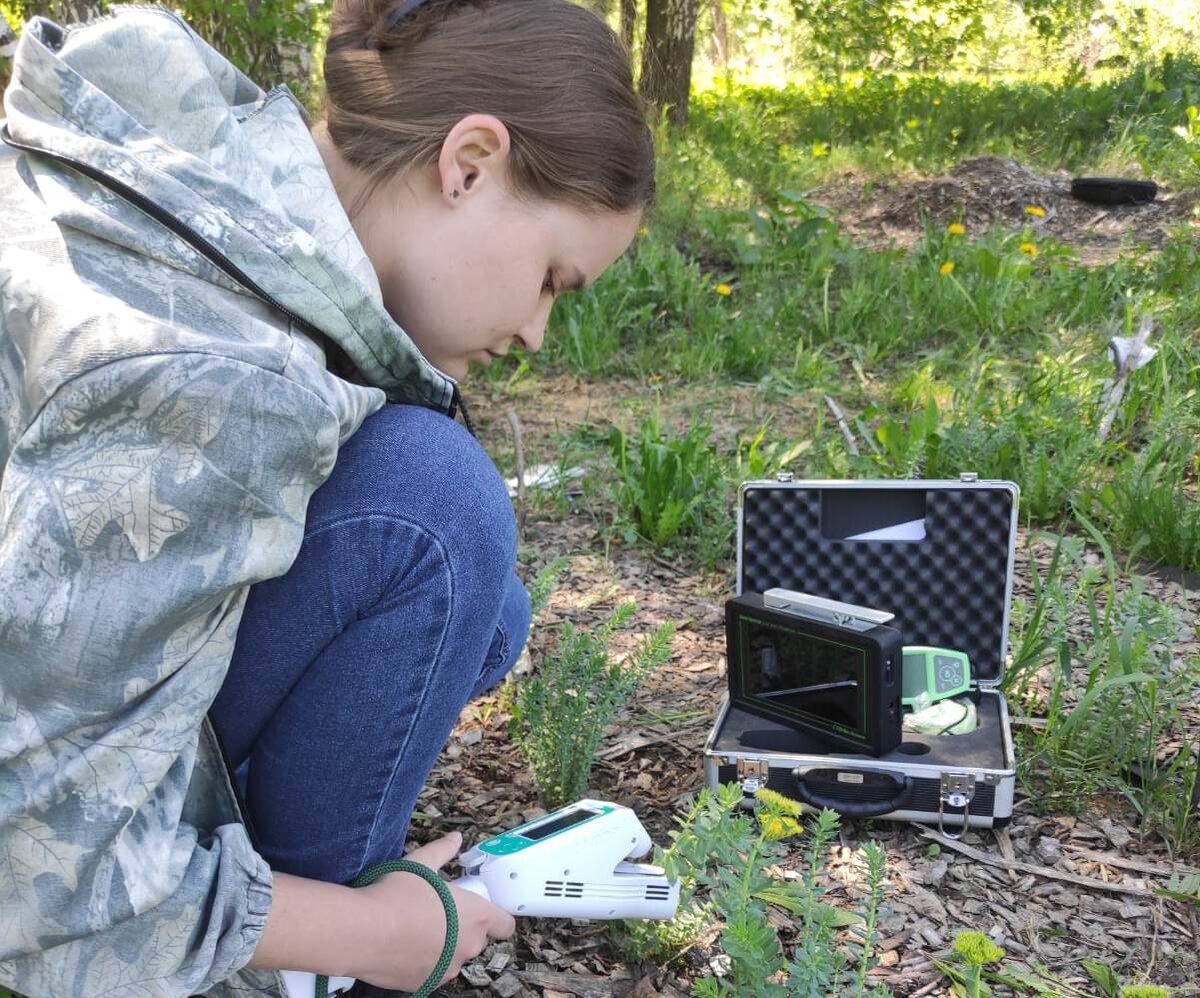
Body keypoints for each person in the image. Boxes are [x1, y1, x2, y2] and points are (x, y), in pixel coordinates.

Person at [0, 0, 653, 995]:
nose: (536, 331)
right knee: (434, 515)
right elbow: (35, 885)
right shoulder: (217, 382)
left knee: (483, 608)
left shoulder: (205, 188)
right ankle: (290, 956)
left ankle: (271, 886)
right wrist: (378, 932)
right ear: (467, 162)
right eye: (553, 279)